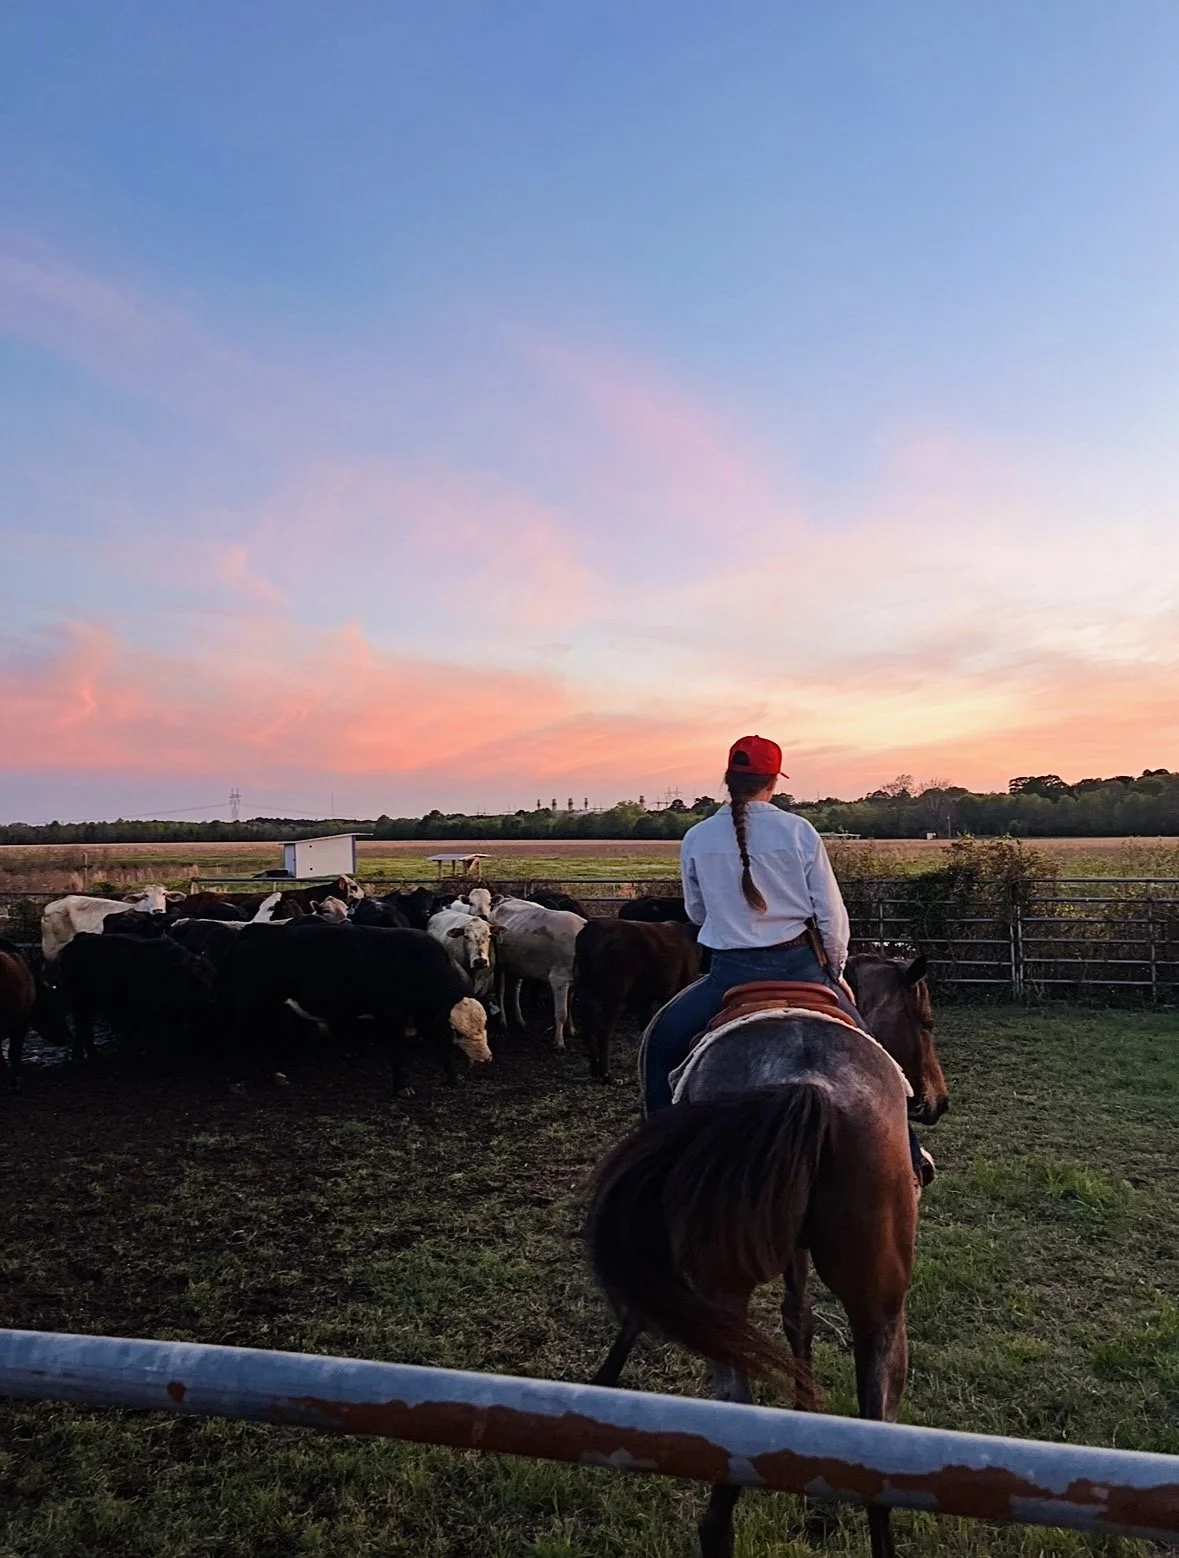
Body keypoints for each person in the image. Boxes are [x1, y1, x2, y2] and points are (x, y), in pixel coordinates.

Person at [640, 734, 933, 1185]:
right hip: (802, 967)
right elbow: (832, 916)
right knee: (876, 1057)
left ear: (728, 779)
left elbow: (697, 913)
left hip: (728, 977)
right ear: (773, 781)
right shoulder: (799, 832)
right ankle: (910, 1157)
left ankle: (660, 1159)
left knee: (659, 1047)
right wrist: (835, 974)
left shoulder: (696, 836)